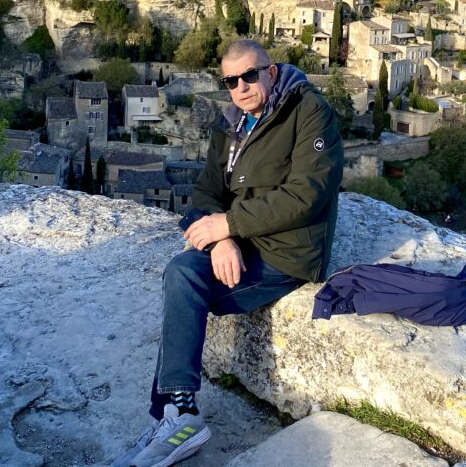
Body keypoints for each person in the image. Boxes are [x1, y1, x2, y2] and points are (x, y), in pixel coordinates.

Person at [112, 39, 343, 467]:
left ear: (271, 72)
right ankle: (179, 415)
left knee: (185, 288)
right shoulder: (233, 122)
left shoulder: (309, 111)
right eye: (231, 80)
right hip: (240, 243)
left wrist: (230, 224)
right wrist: (222, 238)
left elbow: (307, 195)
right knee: (183, 273)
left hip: (286, 254)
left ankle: (175, 419)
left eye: (250, 75)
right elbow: (204, 194)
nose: (241, 87)